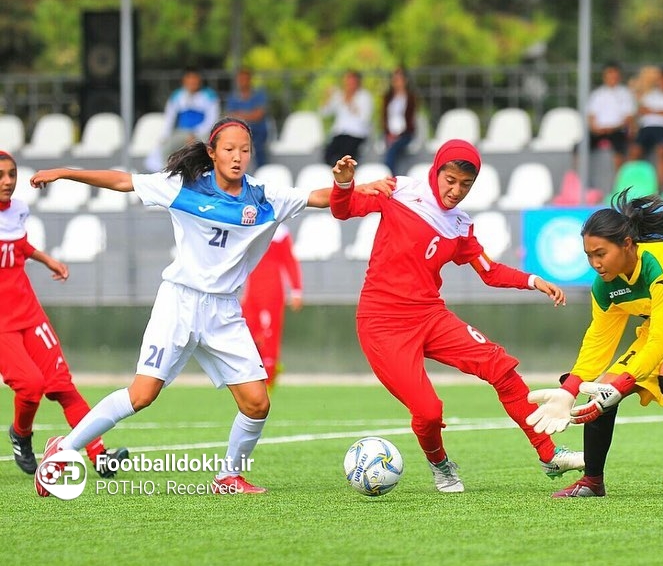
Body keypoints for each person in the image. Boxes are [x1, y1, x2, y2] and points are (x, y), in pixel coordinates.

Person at [29, 117, 393, 496]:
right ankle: (64, 449)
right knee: (142, 395)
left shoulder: (263, 199)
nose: (238, 157)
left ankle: (228, 477)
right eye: (230, 149)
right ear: (212, 153)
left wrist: (353, 183)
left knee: (257, 403)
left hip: (223, 312)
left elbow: (320, 198)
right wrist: (65, 172)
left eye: (245, 150)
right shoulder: (181, 187)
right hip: (179, 302)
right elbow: (123, 181)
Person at [328, 140, 584, 493]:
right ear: (436, 172)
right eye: (450, 180)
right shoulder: (399, 190)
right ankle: (440, 465)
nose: (456, 190)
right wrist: (343, 183)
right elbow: (343, 211)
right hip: (382, 322)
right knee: (429, 412)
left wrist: (533, 280)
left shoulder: (461, 225)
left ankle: (549, 453)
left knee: (500, 367)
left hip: (430, 315)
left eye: (466, 185)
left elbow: (489, 271)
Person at [526, 189, 663, 497]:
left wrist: (623, 385)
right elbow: (598, 344)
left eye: (601, 253)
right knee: (601, 388)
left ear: (627, 245)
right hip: (661, 334)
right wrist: (570, 389)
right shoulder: (605, 287)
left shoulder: (660, 265)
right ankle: (592, 481)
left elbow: (661, 340)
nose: (595, 263)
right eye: (589, 256)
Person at [0, 150, 128, 479]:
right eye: (1, 175)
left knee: (62, 386)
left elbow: (19, 246)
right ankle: (21, 435)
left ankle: (99, 455)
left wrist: (47, 260)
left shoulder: (18, 210)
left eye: (11, 174)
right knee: (30, 387)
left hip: (29, 313)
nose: (8, 181)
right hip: (3, 325)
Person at [241, 222, 302, 387]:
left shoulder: (280, 231)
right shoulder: (249, 225)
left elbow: (289, 260)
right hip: (252, 289)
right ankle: (254, 374)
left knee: (269, 334)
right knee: (248, 331)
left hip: (272, 290)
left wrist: (296, 290)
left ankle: (269, 376)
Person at [147, 66, 220, 171]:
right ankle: (166, 174)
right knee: (166, 148)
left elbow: (211, 120)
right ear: (184, 80)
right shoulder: (177, 96)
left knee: (202, 150)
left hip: (202, 133)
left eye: (194, 78)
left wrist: (195, 134)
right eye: (189, 78)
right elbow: (169, 119)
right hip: (181, 133)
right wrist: (164, 136)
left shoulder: (209, 96)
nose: (192, 82)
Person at [587, 61, 637, 175]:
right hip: (599, 131)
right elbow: (591, 117)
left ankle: (618, 187)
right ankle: (580, 183)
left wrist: (612, 128)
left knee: (619, 151)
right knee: (580, 149)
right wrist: (596, 128)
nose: (612, 77)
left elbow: (628, 118)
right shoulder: (597, 94)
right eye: (609, 74)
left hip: (617, 130)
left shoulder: (625, 93)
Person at [320, 69, 373, 166]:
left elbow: (365, 119)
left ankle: (345, 178)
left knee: (345, 157)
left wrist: (350, 102)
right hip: (339, 134)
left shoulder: (364, 96)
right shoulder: (339, 95)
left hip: (356, 134)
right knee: (328, 156)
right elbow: (324, 112)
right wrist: (327, 97)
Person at [226, 67, 271, 169]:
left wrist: (240, 115)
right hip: (238, 132)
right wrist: (249, 115)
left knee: (258, 149)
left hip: (257, 132)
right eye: (240, 79)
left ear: (250, 80)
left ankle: (261, 173)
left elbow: (259, 115)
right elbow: (230, 116)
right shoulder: (233, 97)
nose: (243, 82)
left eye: (245, 79)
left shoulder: (259, 94)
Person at [381, 66, 419, 175]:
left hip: (405, 134)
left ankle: (389, 177)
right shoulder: (388, 97)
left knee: (393, 149)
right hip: (389, 133)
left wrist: (398, 135)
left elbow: (410, 119)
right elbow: (384, 117)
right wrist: (389, 133)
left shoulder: (410, 98)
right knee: (391, 147)